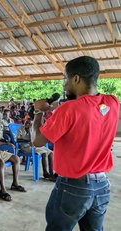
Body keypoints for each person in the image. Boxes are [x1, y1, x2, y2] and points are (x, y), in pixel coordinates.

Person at [31, 56, 119, 231]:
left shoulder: (68, 109)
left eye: (65, 78)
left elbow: (37, 140)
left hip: (73, 187)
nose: (64, 84)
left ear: (76, 78)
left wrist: (38, 112)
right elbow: (90, 114)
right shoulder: (113, 102)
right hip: (102, 186)